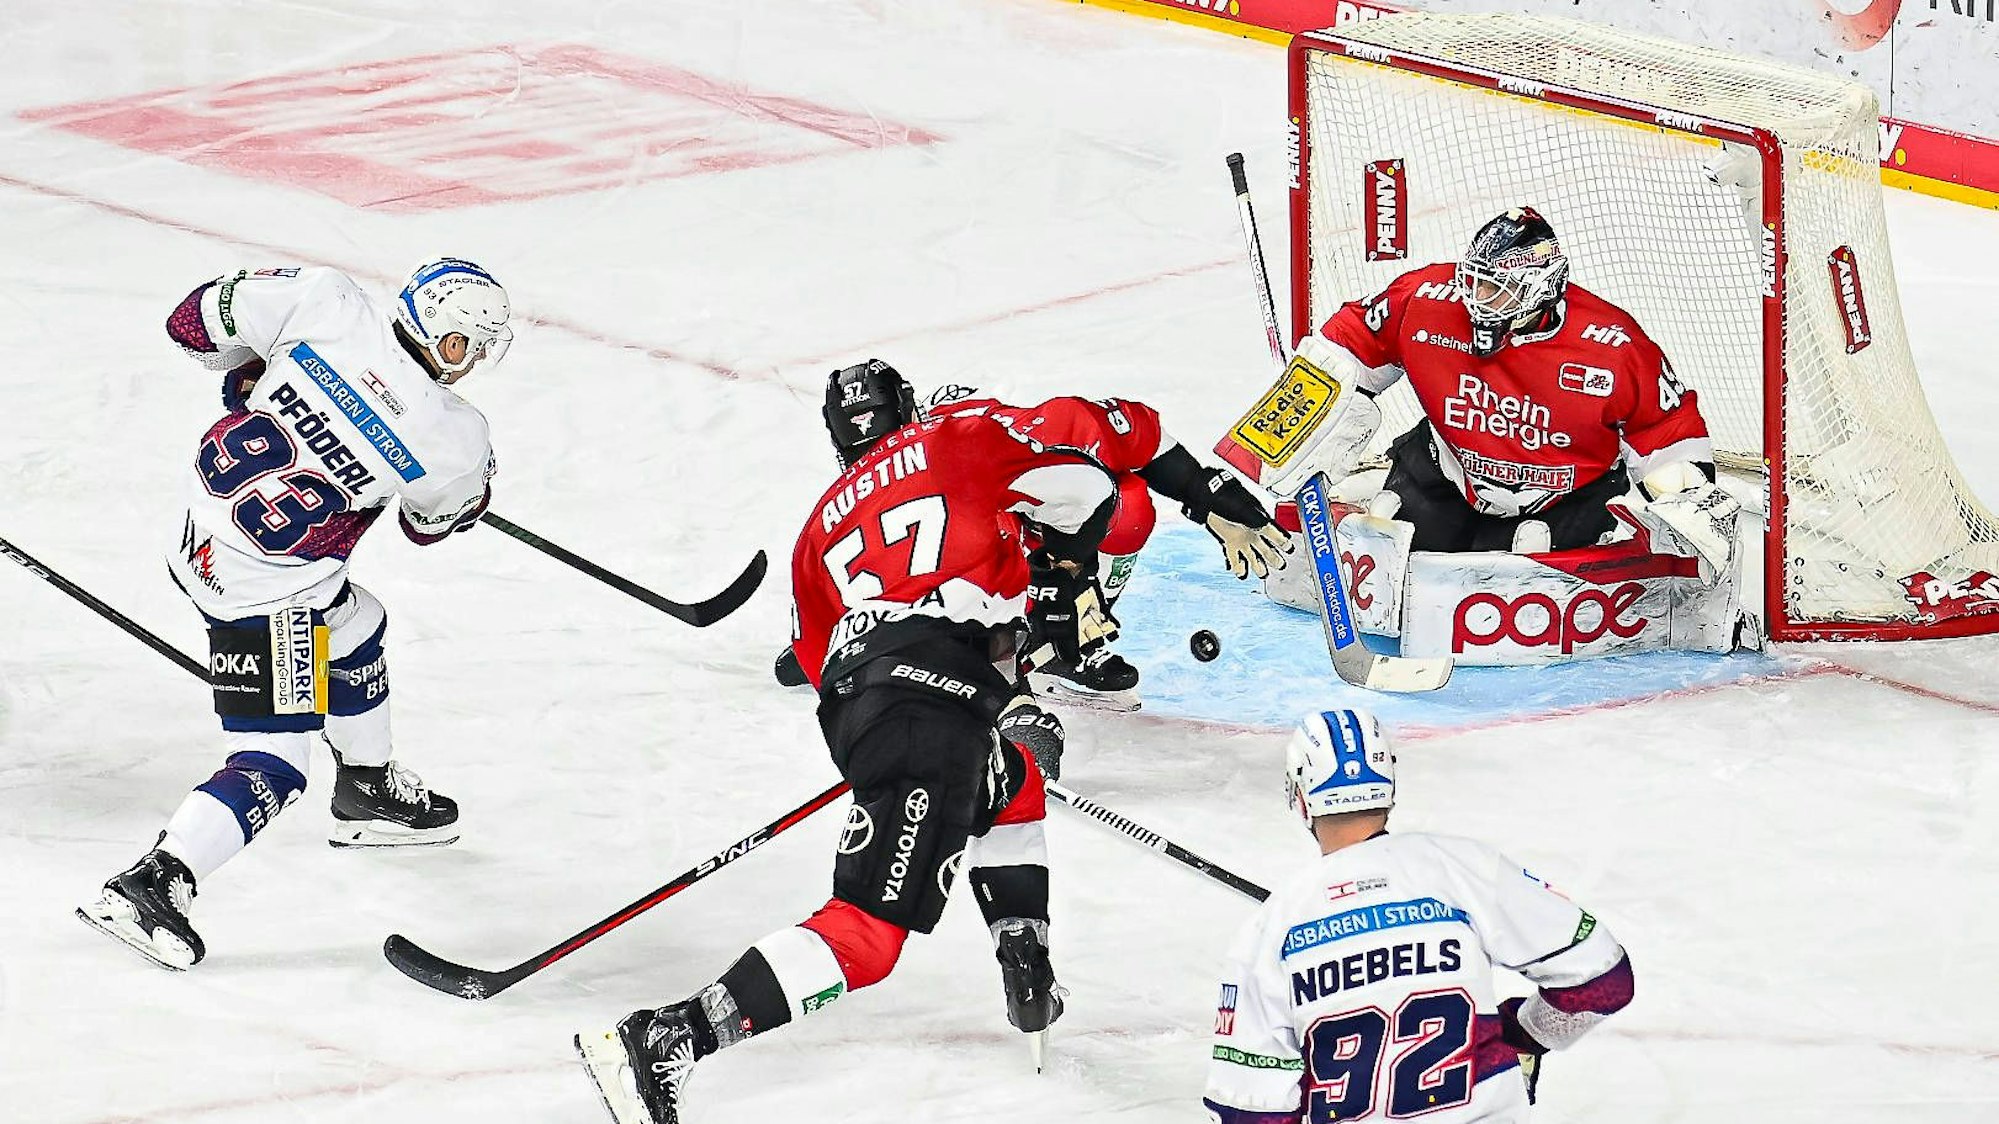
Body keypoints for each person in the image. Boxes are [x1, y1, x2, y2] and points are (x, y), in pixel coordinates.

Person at [577, 359, 1117, 1123]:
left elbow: (808, 661)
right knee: (867, 937)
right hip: (932, 702)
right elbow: (1089, 489)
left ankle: (1022, 954)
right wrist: (1062, 569)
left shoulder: (819, 523)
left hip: (869, 710)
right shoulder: (955, 436)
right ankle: (667, 1038)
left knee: (1013, 780)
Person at [77, 258, 512, 970]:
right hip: (266, 598)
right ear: (455, 344)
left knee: (355, 624)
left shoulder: (324, 299)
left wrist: (259, 371)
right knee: (276, 762)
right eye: (477, 347)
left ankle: (368, 787)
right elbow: (428, 526)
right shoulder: (453, 435)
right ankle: (156, 881)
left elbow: (189, 325)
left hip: (200, 534)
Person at [1231, 206, 1739, 575]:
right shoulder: (1425, 299)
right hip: (1447, 473)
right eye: (1472, 282)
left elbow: (1668, 432)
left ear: (1540, 287)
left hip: (1563, 499)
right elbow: (1347, 346)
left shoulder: (1612, 345)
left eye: (1494, 289)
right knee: (1387, 532)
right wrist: (1292, 425)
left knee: (1524, 555)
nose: (1474, 299)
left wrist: (1684, 508)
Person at [1204, 709, 1634, 1123]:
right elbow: (1603, 980)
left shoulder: (1266, 933)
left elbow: (1250, 1113)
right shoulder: (1463, 868)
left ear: (1298, 797)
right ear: (1388, 784)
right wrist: (1522, 1035)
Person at [773, 387, 1289, 711]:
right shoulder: (941, 442)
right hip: (952, 599)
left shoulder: (971, 436)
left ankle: (1067, 640)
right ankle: (1014, 644)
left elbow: (1132, 432)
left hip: (1009, 556)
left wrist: (1201, 493)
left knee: (1126, 507)